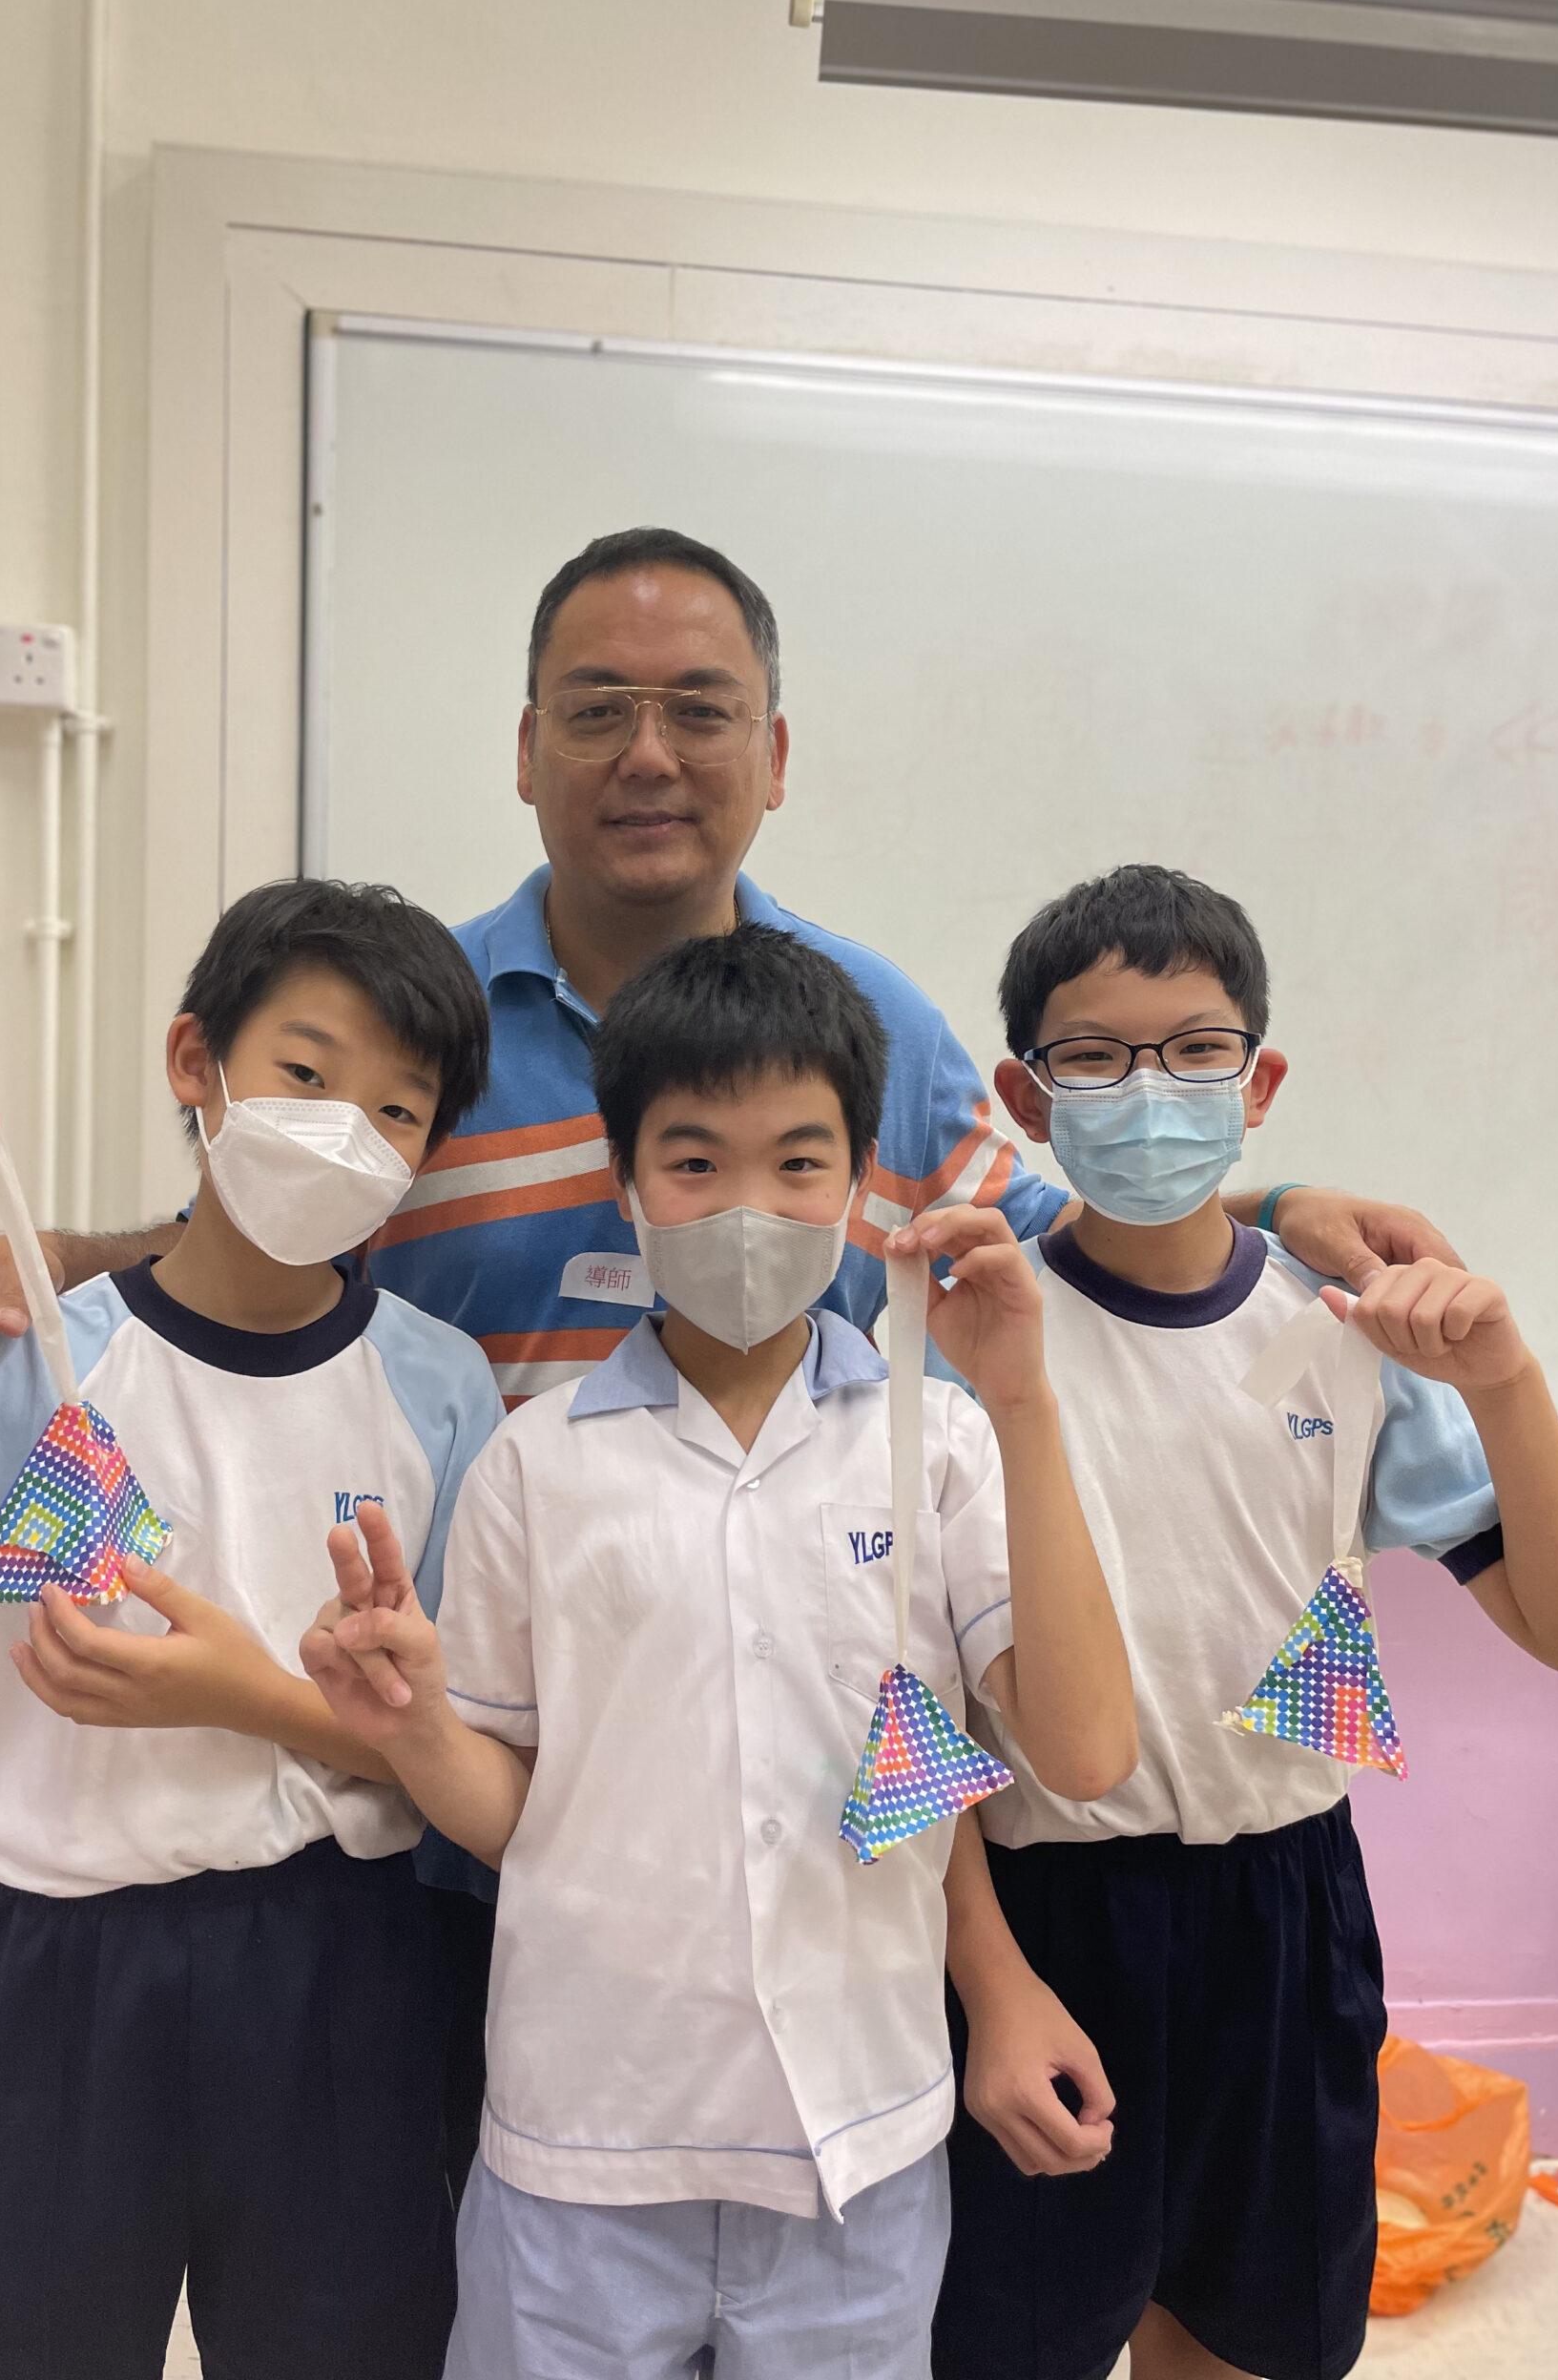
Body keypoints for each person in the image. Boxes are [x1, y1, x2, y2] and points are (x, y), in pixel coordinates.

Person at [0, 525, 1466, 2218]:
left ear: (775, 752)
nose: (651, 754)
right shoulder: (427, 1029)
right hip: (443, 1785)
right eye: (599, 710)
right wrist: (32, 1257)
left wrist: (1269, 1202)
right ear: (528, 749)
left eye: (701, 709)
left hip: (797, 1817)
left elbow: (1060, 1236)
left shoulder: (865, 1027)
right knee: (456, 2248)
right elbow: (261, 1231)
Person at [301, 923, 1138, 2380]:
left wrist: (1023, 1405)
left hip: (857, 2145)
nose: (748, 1206)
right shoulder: (536, 1467)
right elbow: (515, 1815)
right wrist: (415, 1723)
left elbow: (1082, 1751)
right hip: (582, 2144)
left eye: (799, 1163)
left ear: (861, 1181)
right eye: (694, 1163)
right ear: (627, 1184)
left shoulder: (939, 1446)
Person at [0, 879, 504, 2380]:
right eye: (305, 1074)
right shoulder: (29, 1365)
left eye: (396, 1111)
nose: (344, 1133)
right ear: (195, 1061)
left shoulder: (441, 1388)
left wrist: (254, 1698)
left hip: (347, 1973)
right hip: (57, 1979)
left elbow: (466, 1756)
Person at [904, 865, 1558, 2380]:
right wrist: (989, 1979)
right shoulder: (971, 1338)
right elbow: (915, 1710)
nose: (1150, 1091)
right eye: (1095, 1058)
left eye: (1196, 1051)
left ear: (1259, 1083)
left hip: (1286, 1911)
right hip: (1040, 1913)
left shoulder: (1344, 1330)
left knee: (1251, 2338)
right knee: (1009, 2339)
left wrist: (1509, 1382)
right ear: (1025, 1097)